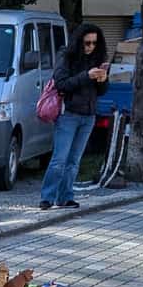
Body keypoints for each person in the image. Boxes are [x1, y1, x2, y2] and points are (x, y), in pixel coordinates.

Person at [38, 24, 110, 210]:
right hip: (68, 113)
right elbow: (61, 83)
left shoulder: (97, 57)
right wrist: (86, 75)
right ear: (79, 42)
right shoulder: (66, 56)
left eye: (94, 43)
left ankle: (65, 197)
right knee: (60, 159)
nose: (90, 47)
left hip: (88, 114)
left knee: (74, 160)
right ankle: (47, 197)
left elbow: (101, 91)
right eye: (87, 43)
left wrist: (103, 80)